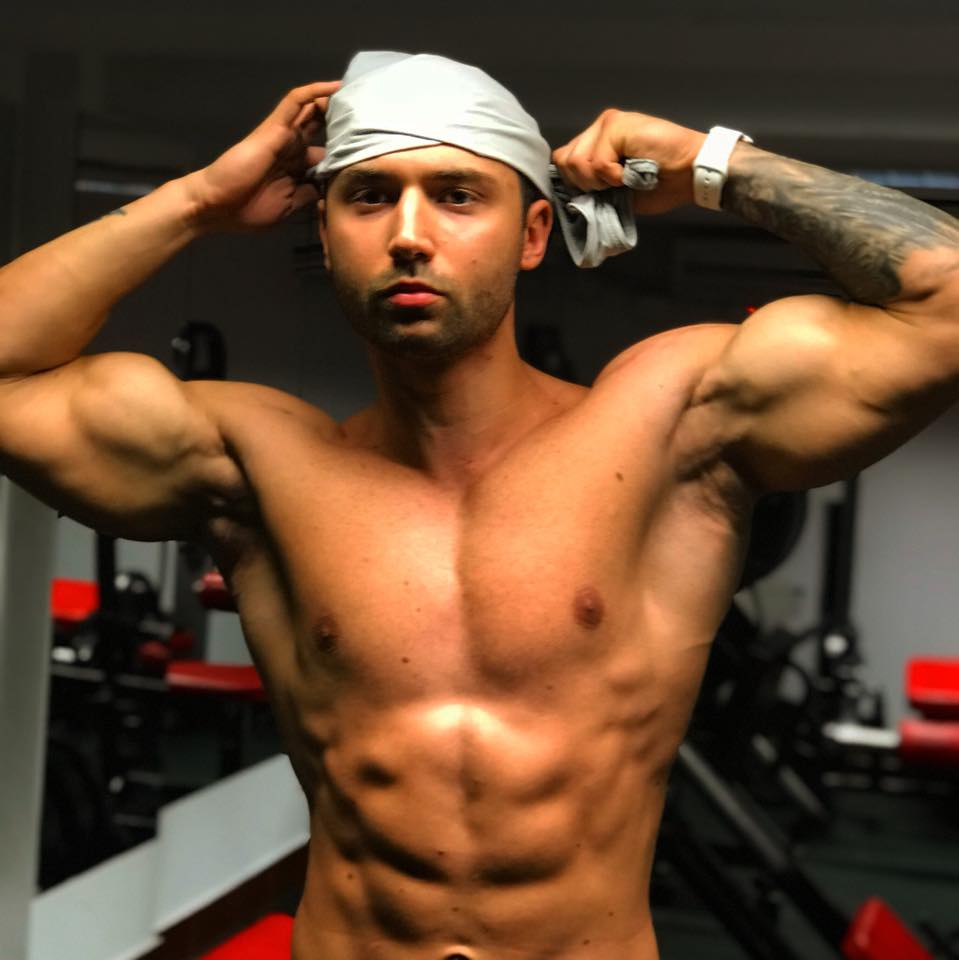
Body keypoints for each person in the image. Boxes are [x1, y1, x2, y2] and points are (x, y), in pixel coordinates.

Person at [1, 49, 957, 960]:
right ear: (324, 235)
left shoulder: (669, 429)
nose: (409, 235)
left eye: (457, 195)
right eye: (369, 197)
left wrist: (713, 163)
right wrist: (195, 201)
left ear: (534, 233)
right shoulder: (256, 466)